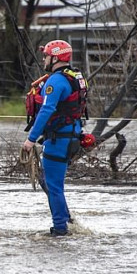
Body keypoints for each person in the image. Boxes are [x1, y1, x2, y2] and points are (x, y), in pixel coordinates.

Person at [22, 40, 88, 236]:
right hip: (72, 136)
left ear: (56, 58)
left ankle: (60, 229)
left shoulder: (56, 81)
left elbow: (47, 109)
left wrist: (31, 139)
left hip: (59, 139)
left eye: (46, 56)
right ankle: (67, 219)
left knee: (53, 185)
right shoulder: (76, 76)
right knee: (49, 181)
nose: (43, 59)